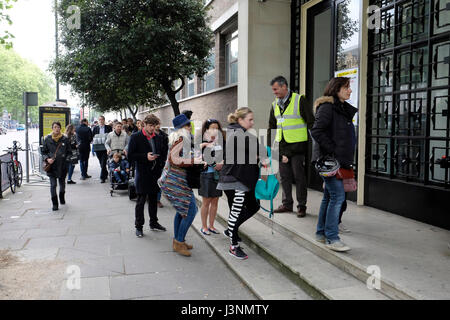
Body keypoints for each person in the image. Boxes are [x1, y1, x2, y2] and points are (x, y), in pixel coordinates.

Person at [311, 77, 357, 252]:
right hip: (329, 162)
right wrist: (333, 150)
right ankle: (332, 238)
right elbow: (316, 131)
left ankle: (321, 233)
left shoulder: (341, 108)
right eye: (346, 87)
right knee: (338, 197)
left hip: (338, 160)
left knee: (329, 197)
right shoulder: (327, 107)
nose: (350, 91)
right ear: (336, 89)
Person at [217, 108, 262, 260]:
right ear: (240, 120)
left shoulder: (239, 133)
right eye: (250, 119)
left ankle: (231, 229)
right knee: (236, 212)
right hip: (234, 180)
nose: (252, 122)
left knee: (253, 206)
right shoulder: (237, 134)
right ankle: (233, 246)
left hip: (241, 179)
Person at [159, 113, 206, 257]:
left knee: (182, 210)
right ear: (182, 128)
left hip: (177, 180)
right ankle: (179, 242)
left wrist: (194, 159)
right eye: (188, 125)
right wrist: (194, 161)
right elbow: (174, 160)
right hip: (175, 181)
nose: (190, 127)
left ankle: (178, 241)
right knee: (191, 211)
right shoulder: (181, 139)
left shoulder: (182, 139)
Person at [268, 76, 315, 218]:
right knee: (284, 177)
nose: (274, 92)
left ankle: (302, 206)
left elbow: (311, 122)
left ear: (284, 87)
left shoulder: (299, 100)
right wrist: (271, 147)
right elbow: (272, 126)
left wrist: (316, 142)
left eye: (276, 89)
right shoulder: (274, 104)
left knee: (299, 176)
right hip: (282, 147)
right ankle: (287, 204)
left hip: (297, 146)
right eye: (273, 90)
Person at [127, 114, 167, 238]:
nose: (152, 128)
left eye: (154, 126)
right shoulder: (135, 137)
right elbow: (130, 156)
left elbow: (163, 153)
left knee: (154, 200)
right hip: (142, 173)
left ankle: (153, 223)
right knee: (141, 201)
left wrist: (161, 165)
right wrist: (145, 156)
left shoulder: (158, 137)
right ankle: (139, 227)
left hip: (155, 174)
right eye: (150, 126)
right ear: (144, 124)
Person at [199, 119, 225, 235]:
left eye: (217, 128)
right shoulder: (202, 141)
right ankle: (204, 227)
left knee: (215, 201)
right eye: (212, 128)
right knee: (206, 202)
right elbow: (199, 156)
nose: (215, 130)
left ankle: (212, 226)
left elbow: (225, 155)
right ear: (207, 129)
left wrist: (223, 162)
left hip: (218, 175)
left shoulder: (221, 141)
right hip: (206, 174)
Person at [42, 122, 72, 211]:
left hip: (62, 165)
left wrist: (66, 160)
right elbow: (43, 152)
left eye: (58, 127)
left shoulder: (65, 139)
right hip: (52, 166)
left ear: (60, 128)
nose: (56, 129)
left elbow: (69, 152)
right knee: (53, 185)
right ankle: (55, 203)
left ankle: (62, 197)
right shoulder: (47, 139)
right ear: (52, 128)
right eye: (55, 127)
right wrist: (47, 159)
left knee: (62, 184)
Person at [92, 115, 112, 183]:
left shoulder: (108, 127)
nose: (101, 121)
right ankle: (105, 173)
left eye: (102, 119)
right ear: (98, 121)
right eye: (100, 119)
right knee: (101, 162)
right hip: (98, 147)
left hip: (105, 147)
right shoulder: (95, 128)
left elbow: (110, 136)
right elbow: (93, 137)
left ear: (104, 120)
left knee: (103, 162)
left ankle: (102, 177)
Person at [154, 123, 169, 208]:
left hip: (161, 161)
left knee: (160, 181)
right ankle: (151, 198)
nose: (157, 125)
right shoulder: (150, 135)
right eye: (156, 124)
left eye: (159, 124)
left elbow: (167, 149)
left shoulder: (164, 136)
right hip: (152, 161)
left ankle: (158, 200)